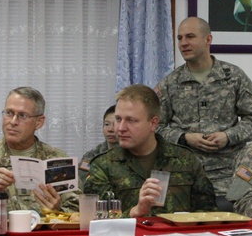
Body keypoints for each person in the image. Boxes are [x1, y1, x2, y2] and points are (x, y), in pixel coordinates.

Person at [156, 17, 252, 197]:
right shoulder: (170, 83)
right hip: (184, 174)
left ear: (208, 39)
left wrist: (228, 136)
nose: (184, 43)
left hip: (228, 174)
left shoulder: (233, 77)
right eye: (180, 38)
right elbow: (154, 127)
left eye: (190, 37)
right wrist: (184, 138)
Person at [85, 84, 216, 217]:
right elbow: (97, 221)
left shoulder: (186, 160)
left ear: (153, 123)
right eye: (118, 119)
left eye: (131, 120)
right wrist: (135, 212)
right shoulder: (103, 166)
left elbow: (209, 213)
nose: (120, 128)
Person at [0, 87, 78, 227]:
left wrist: (57, 212)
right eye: (9, 113)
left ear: (39, 122)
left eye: (22, 115)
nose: (13, 121)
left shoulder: (58, 161)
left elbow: (79, 216)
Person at [78, 105, 117, 188]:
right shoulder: (93, 155)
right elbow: (81, 179)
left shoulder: (134, 152)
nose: (110, 129)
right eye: (107, 124)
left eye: (115, 125)